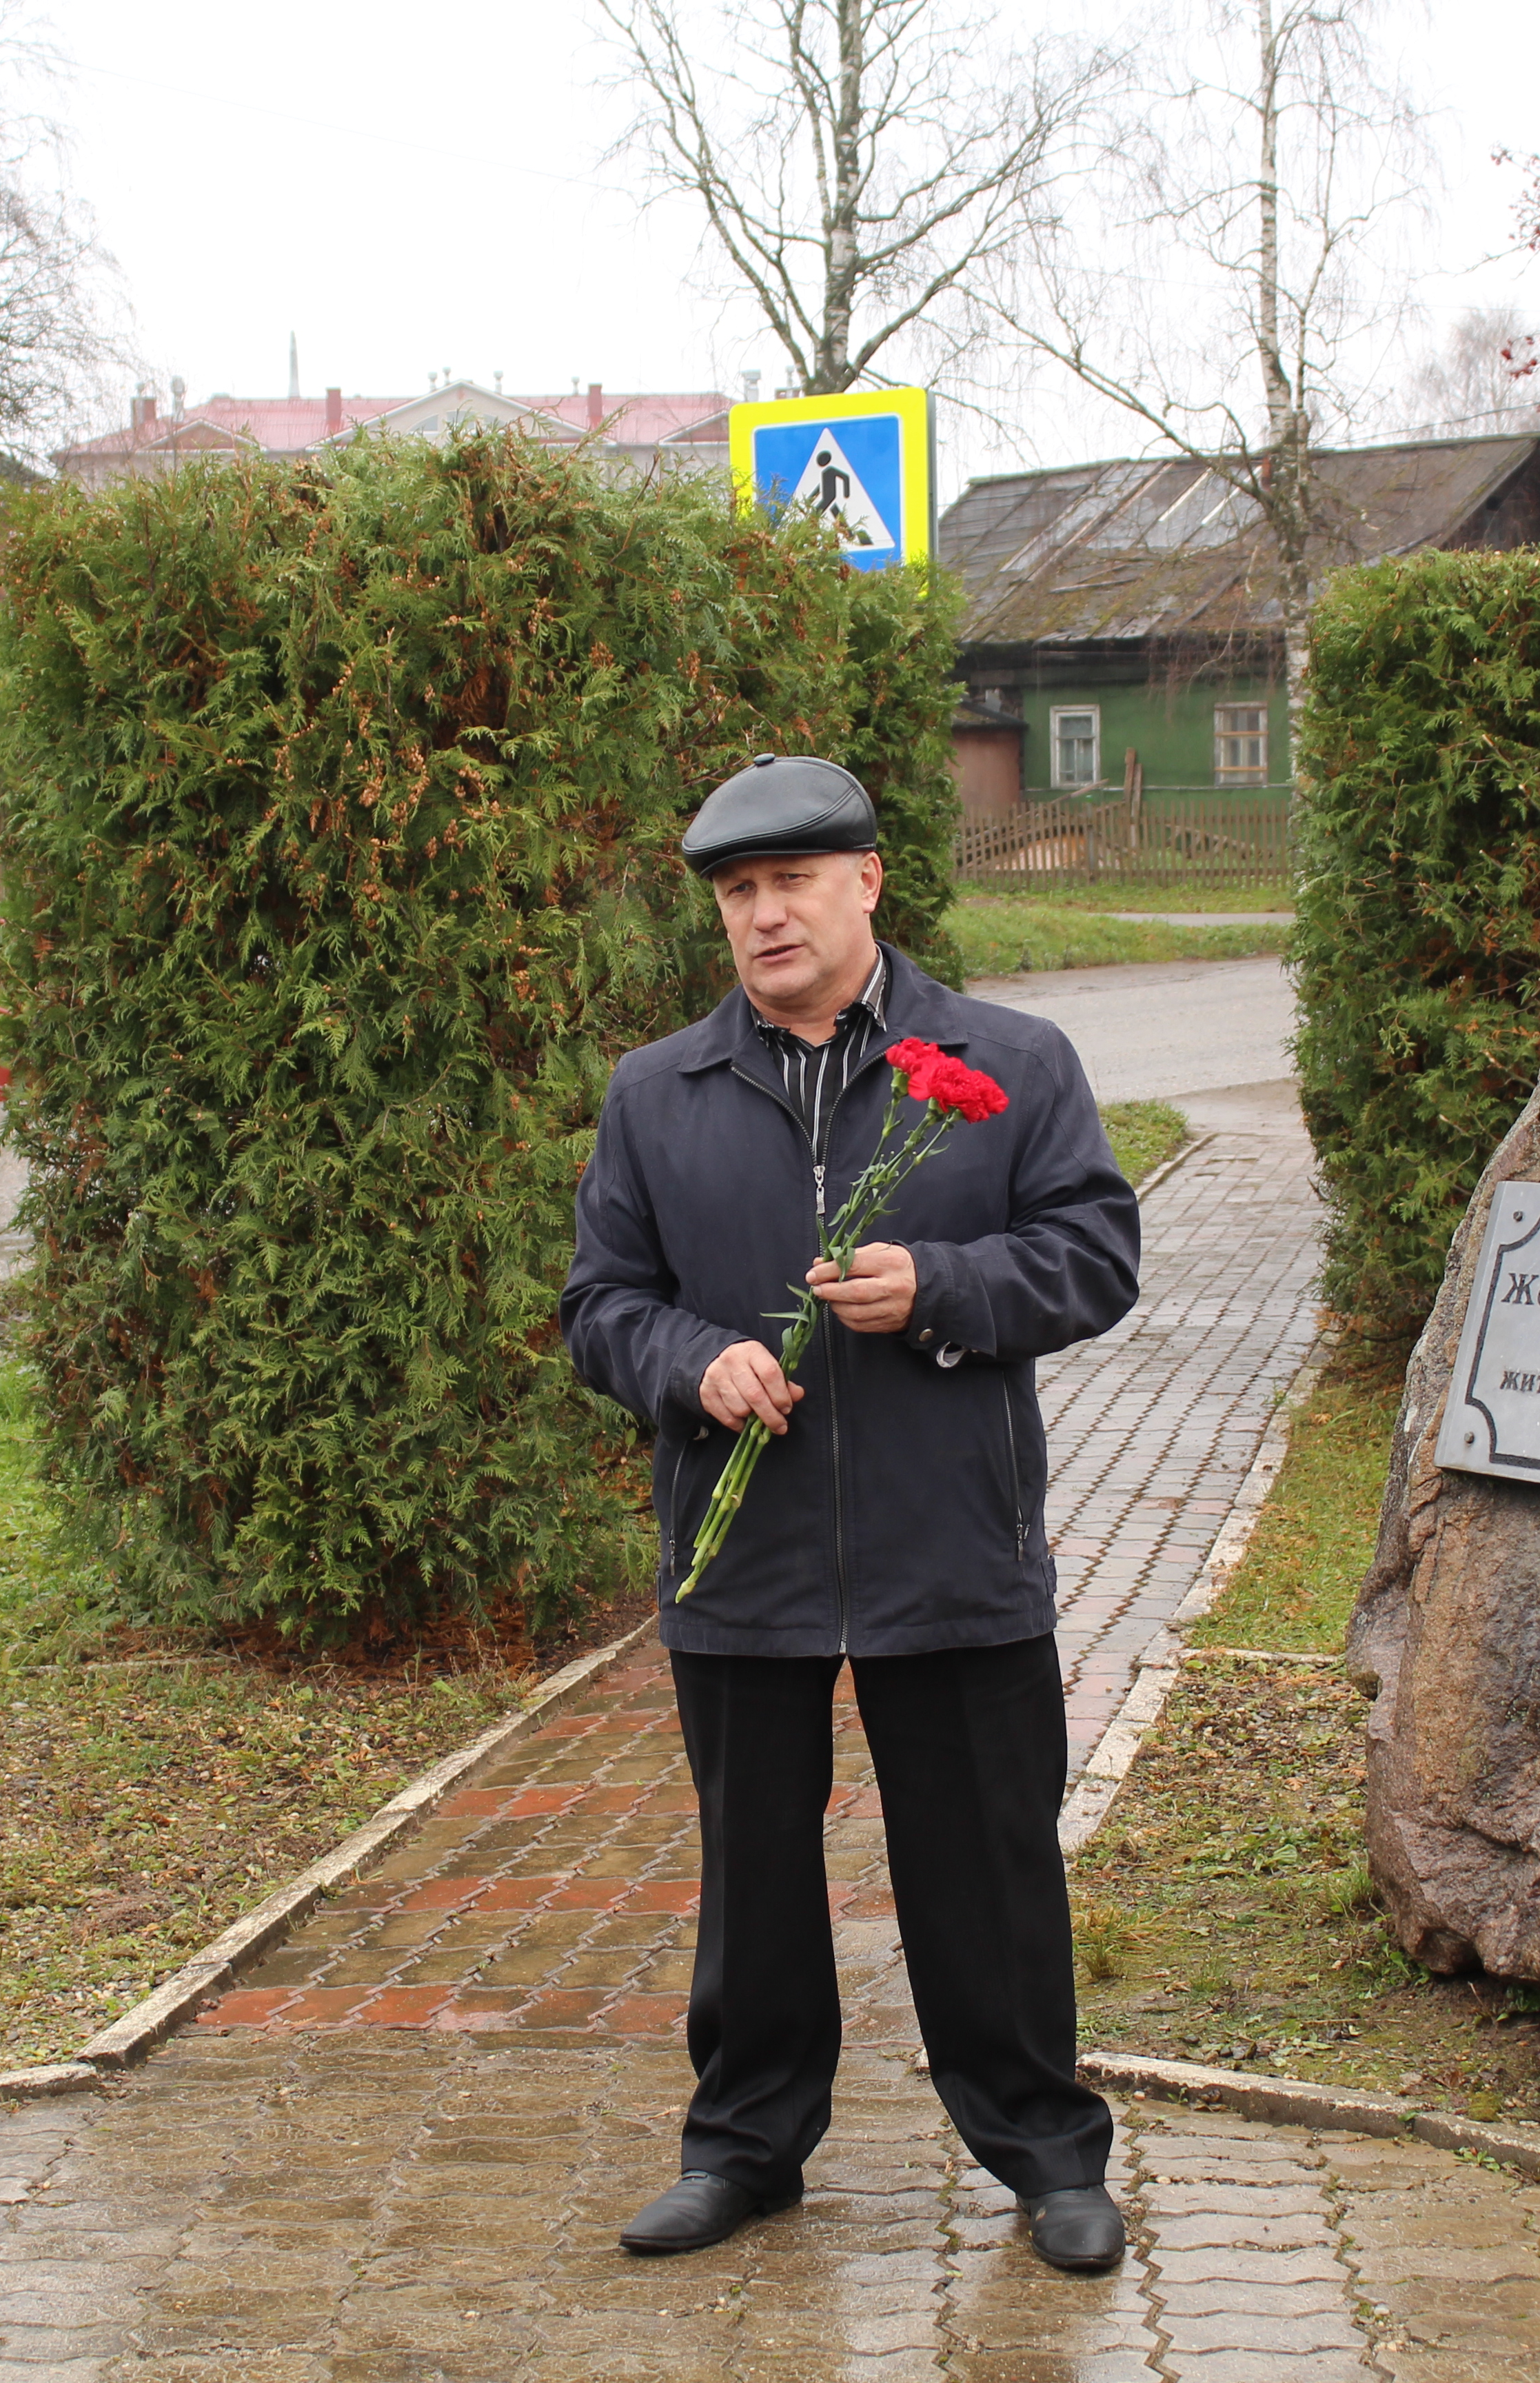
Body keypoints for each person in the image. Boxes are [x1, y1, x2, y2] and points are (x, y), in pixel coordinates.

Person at [560, 752, 1141, 2274]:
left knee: (986, 1865)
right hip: (739, 1548)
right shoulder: (656, 1092)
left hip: (951, 1541)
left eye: (792, 883)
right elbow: (602, 1305)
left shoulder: (1010, 1058)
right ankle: (745, 2149)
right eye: (737, 893)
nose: (763, 917)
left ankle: (1043, 2151)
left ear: (867, 883)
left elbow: (1096, 1253)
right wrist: (696, 1363)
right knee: (753, 1875)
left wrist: (942, 1290)